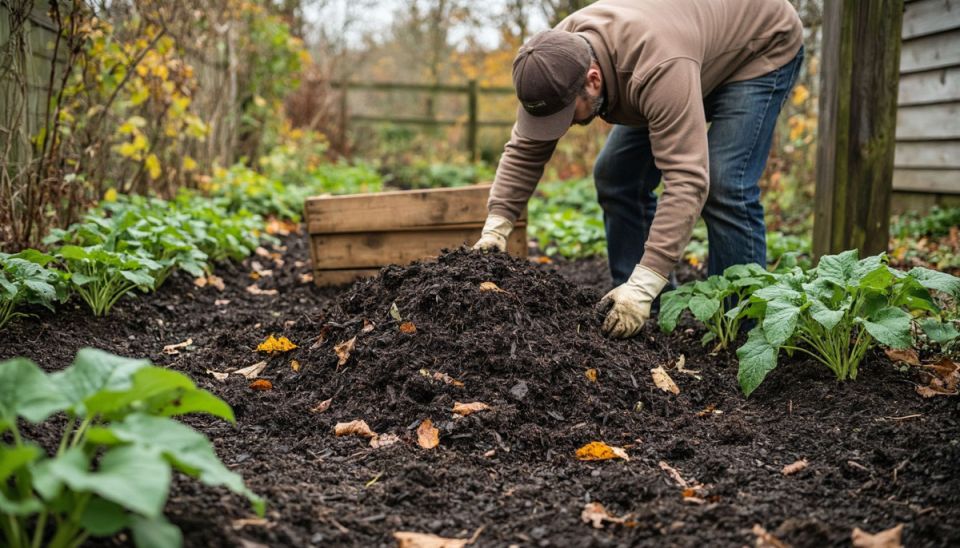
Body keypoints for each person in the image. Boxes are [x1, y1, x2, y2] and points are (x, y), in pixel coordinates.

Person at [473, 0, 803, 339]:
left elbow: (687, 179)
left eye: (568, 114)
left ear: (593, 79)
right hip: (685, 53)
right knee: (616, 175)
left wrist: (645, 282)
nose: (565, 125)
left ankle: (741, 329)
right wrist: (497, 226)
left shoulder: (655, 67)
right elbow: (526, 148)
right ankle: (639, 307)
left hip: (758, 48)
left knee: (723, 183)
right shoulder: (552, 60)